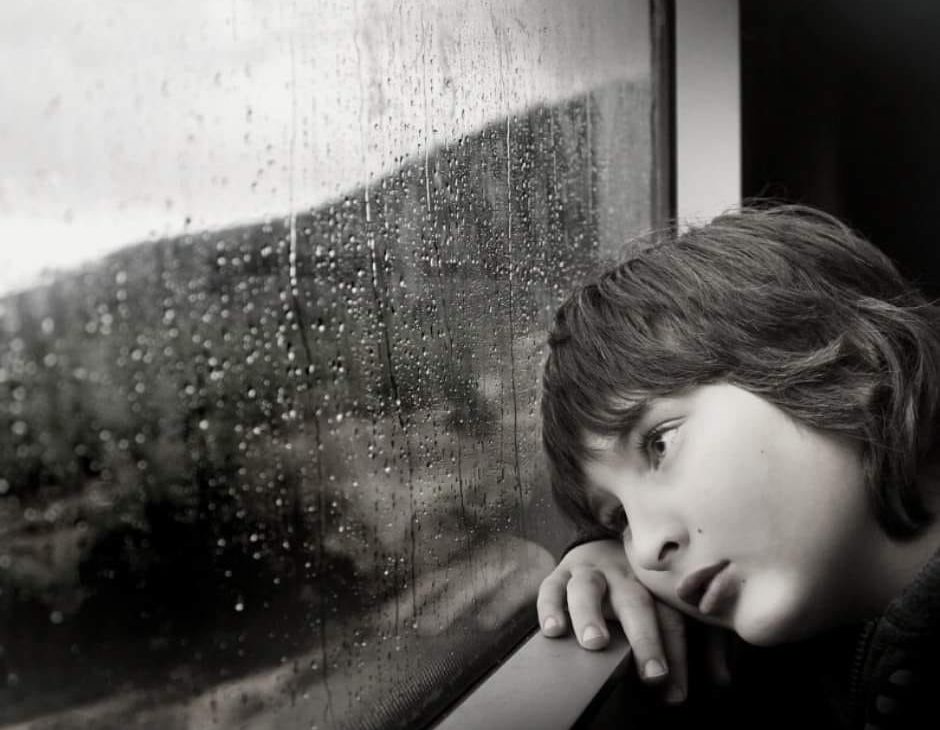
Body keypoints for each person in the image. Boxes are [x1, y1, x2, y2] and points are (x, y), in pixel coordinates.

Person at [535, 205, 940, 728]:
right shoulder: (788, 663)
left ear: (827, 347)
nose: (650, 548)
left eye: (658, 445)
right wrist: (598, 552)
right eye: (620, 518)